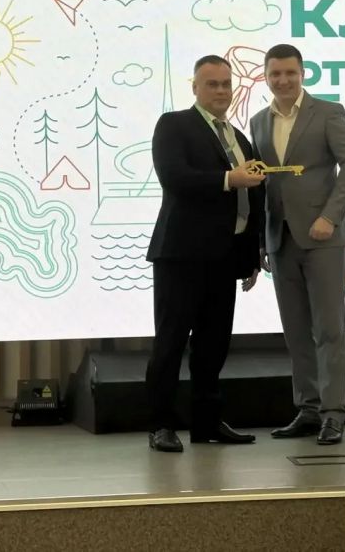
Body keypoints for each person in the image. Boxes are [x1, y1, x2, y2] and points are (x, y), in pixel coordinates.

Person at [145, 55, 265, 453]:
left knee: (214, 346)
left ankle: (207, 423)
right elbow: (174, 178)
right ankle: (161, 424)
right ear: (194, 87)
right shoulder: (174, 125)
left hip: (225, 257)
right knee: (171, 341)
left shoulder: (238, 137)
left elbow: (252, 198)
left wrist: (251, 253)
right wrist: (230, 178)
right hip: (182, 255)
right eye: (211, 83)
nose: (220, 91)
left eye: (226, 84)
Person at [250, 44, 345, 445]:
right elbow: (263, 184)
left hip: (323, 237)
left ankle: (333, 413)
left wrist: (329, 216)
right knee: (296, 331)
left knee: (329, 330)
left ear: (302, 74)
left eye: (290, 73)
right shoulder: (258, 121)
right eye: (275, 74)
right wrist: (261, 239)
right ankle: (308, 408)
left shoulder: (328, 112)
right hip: (279, 238)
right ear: (265, 76)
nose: (282, 80)